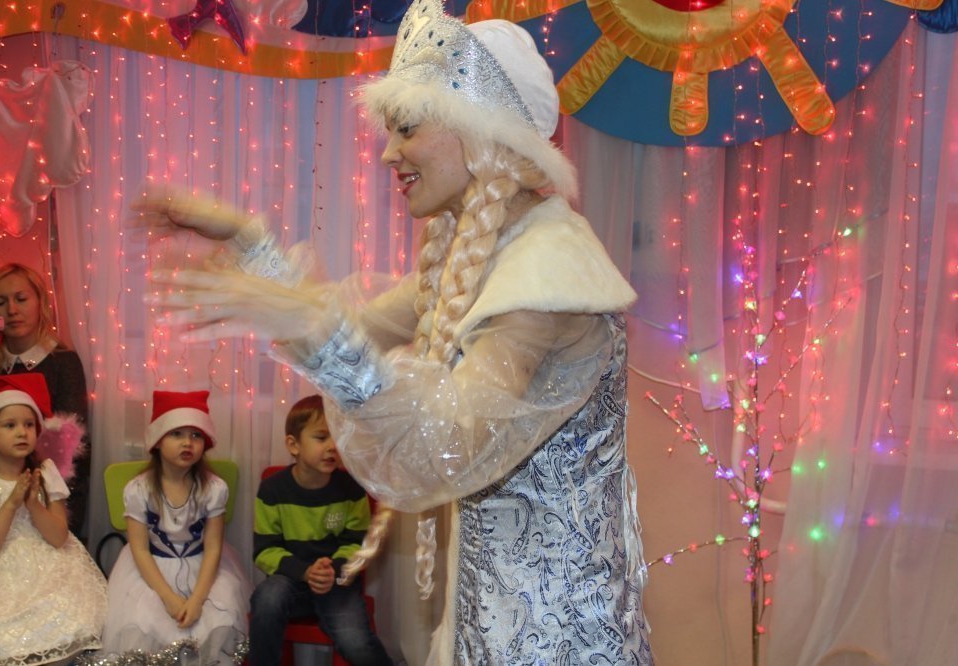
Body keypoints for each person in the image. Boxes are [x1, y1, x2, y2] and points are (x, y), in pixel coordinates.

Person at [135, 0, 653, 661]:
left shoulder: (545, 267)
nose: (388, 153)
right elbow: (356, 329)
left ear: (482, 131)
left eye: (407, 127)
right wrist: (246, 240)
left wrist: (311, 325)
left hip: (553, 639)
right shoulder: (478, 252)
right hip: (485, 615)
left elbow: (444, 446)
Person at [0, 373, 107, 664]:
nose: (22, 433)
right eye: (10, 425)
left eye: (29, 425)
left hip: (48, 569)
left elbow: (58, 537)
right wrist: (11, 504)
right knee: (1, 640)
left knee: (64, 620)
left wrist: (33, 504)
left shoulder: (46, 472)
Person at [101, 389, 249, 663]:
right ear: (157, 441)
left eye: (196, 435)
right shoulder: (139, 489)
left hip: (203, 570)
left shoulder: (214, 488)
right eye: (176, 434)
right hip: (151, 571)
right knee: (143, 620)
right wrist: (168, 597)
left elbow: (213, 548)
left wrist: (197, 600)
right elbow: (139, 550)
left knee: (219, 616)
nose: (187, 443)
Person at [250, 394, 392, 665]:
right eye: (321, 437)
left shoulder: (351, 488)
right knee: (267, 600)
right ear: (293, 445)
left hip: (337, 582)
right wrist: (305, 571)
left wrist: (331, 570)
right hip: (290, 580)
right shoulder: (272, 490)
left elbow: (358, 545)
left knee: (355, 640)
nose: (332, 446)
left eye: (338, 437)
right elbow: (264, 551)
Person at [0, 263, 91, 540]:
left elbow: (69, 447)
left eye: (21, 299)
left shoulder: (63, 362)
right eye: (0, 302)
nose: (12, 310)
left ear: (40, 302)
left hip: (48, 498)